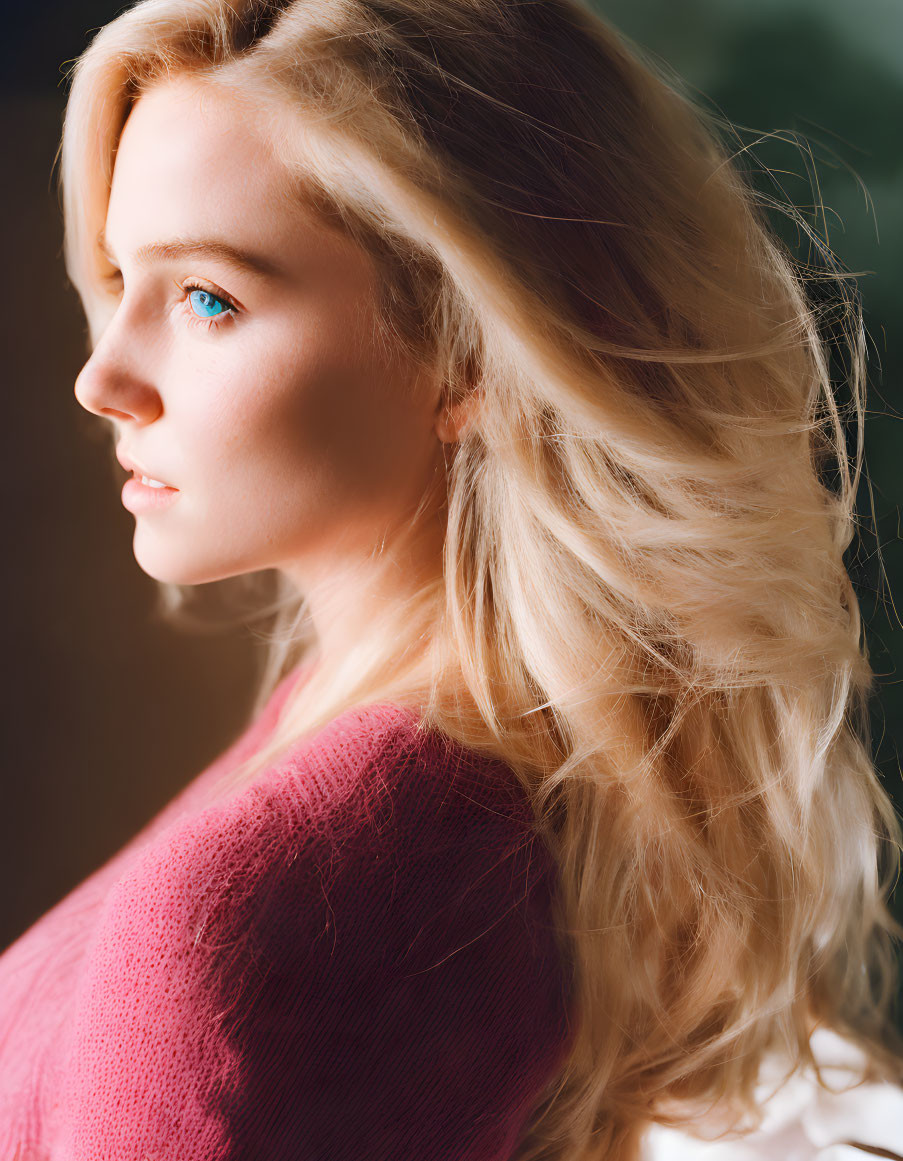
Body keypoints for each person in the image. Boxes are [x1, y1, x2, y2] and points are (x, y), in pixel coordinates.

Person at [2, 0, 902, 1157]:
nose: (102, 375)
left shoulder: (267, 905)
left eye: (207, 298)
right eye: (121, 275)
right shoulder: (461, 789)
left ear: (469, 350)